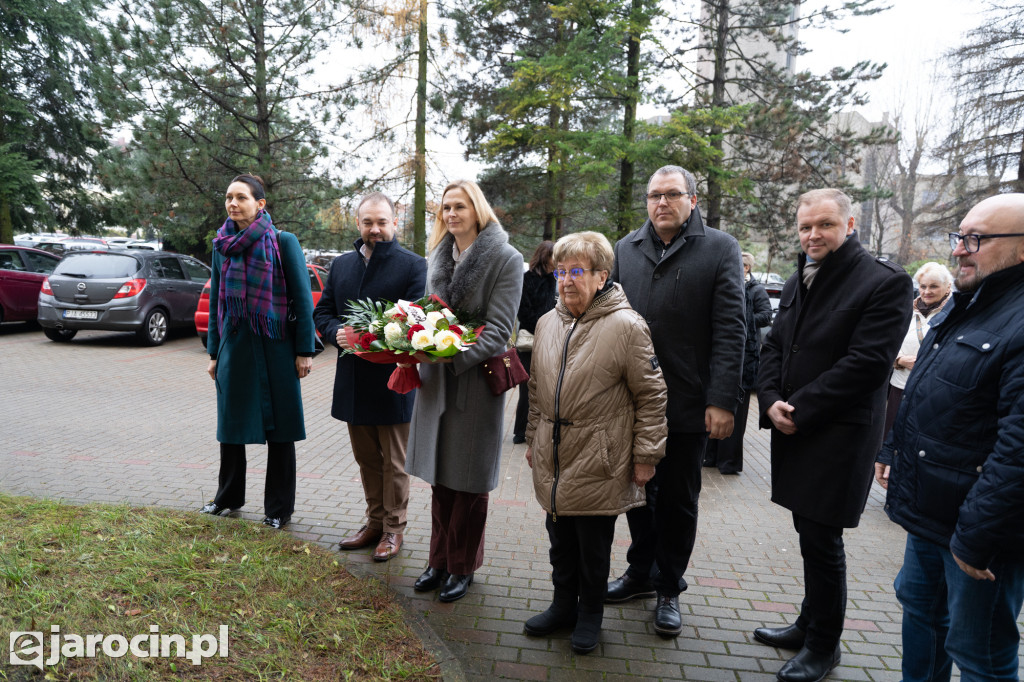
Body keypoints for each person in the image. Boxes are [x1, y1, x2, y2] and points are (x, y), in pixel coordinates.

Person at [754, 188, 912, 682]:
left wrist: (798, 408)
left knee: (823, 540)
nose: (813, 235)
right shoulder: (804, 274)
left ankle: (825, 646)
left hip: (836, 434)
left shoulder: (883, 282)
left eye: (824, 225)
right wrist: (769, 397)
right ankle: (808, 623)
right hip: (795, 424)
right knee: (808, 532)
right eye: (805, 227)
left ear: (850, 225)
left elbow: (867, 364)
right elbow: (777, 342)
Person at [876, 193, 1024, 682]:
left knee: (979, 651)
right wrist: (892, 448)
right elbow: (924, 390)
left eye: (976, 239)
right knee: (919, 610)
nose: (960, 249)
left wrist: (976, 539)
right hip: (931, 515)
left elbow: (1019, 448)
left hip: (980, 534)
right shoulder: (968, 304)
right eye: (959, 236)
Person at [607, 165, 746, 637]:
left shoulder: (720, 248)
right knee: (637, 494)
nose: (661, 203)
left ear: (692, 198)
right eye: (653, 195)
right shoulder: (626, 248)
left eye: (671, 194)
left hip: (688, 402)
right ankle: (639, 572)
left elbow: (731, 328)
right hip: (631, 402)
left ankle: (669, 585)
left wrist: (723, 399)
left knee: (679, 500)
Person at [522, 231, 667, 654]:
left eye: (577, 271)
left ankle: (590, 616)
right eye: (560, 271)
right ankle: (563, 606)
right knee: (559, 539)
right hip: (554, 452)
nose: (566, 280)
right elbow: (535, 391)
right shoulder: (548, 323)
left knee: (592, 546)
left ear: (601, 276)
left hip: (600, 456)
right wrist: (533, 437)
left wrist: (646, 456)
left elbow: (652, 395)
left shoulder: (627, 326)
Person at [405, 180, 524, 603]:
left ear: (478, 210)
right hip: (436, 385)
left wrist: (449, 356)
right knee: (441, 481)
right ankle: (438, 560)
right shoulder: (435, 256)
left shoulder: (506, 259)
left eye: (460, 206)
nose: (451, 214)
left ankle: (463, 566)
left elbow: (499, 330)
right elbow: (424, 316)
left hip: (474, 384)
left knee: (469, 485)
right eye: (445, 208)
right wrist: (412, 342)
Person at [312, 192, 426, 562]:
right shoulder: (342, 265)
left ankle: (394, 529)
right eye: (367, 222)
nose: (374, 229)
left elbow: (414, 321)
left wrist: (364, 336)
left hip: (393, 379)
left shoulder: (413, 266)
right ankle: (374, 522)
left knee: (394, 463)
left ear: (395, 223)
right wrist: (334, 333)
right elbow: (324, 312)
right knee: (366, 460)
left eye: (381, 222)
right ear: (358, 224)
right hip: (353, 380)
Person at [199, 173, 316, 530]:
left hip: (276, 346)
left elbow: (302, 298)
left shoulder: (283, 241)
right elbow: (219, 301)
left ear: (260, 204)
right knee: (231, 427)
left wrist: (304, 351)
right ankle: (227, 497)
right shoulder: (222, 244)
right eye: (228, 198)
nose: (232, 204)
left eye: (241, 198)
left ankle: (279, 509)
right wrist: (215, 354)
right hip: (236, 348)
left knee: (280, 430)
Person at [704, 252, 773, 474]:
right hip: (721, 360)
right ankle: (711, 457)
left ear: (748, 268)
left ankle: (730, 462)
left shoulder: (756, 290)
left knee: (737, 412)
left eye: (743, 265)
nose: (740, 267)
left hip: (747, 358)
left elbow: (766, 315)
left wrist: (744, 318)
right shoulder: (725, 285)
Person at [881, 261, 953, 438]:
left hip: (933, 390)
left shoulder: (955, 314)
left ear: (948, 287)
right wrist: (899, 360)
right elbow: (886, 343)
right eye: (923, 286)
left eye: (934, 286)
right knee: (891, 437)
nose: (927, 291)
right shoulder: (906, 311)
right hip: (900, 385)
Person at [512, 240, 556, 444]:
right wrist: (542, 324)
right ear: (544, 256)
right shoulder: (526, 279)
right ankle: (520, 431)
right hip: (528, 340)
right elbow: (523, 312)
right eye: (553, 256)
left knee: (545, 387)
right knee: (527, 387)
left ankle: (538, 429)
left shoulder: (553, 280)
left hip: (549, 339)